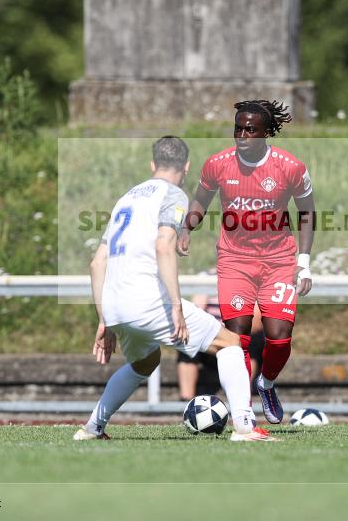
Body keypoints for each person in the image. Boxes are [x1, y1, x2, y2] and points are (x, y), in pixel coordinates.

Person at [74, 136, 276, 442]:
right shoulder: (174, 194)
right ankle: (245, 427)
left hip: (115, 304)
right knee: (231, 344)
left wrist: (105, 319)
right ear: (187, 166)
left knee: (145, 362)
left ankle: (91, 428)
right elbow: (164, 246)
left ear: (152, 164)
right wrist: (176, 306)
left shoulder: (125, 199)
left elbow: (96, 263)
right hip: (149, 301)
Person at [177, 100, 315, 424]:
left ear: (266, 132)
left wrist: (304, 263)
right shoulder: (218, 164)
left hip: (279, 260)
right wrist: (186, 226)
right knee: (235, 338)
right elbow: (200, 199)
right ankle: (243, 410)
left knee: (279, 337)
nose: (242, 135)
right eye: (238, 127)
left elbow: (307, 211)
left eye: (250, 129)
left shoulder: (290, 167)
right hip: (235, 260)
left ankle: (266, 383)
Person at [177, 296, 264, 400]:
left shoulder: (249, 283)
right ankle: (186, 400)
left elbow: (256, 322)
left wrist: (227, 333)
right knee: (189, 340)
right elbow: (195, 311)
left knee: (252, 339)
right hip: (213, 335)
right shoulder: (208, 281)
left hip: (236, 335)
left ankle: (242, 399)